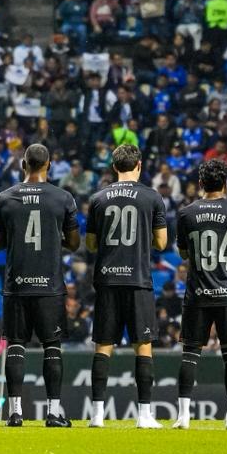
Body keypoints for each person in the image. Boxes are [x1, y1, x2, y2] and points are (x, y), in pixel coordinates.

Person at [0, 144, 81, 427]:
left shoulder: (5, 198)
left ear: (23, 165)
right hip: (49, 285)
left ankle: (15, 412)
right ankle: (54, 412)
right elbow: (75, 243)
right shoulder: (63, 197)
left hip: (17, 284)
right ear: (49, 165)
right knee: (51, 347)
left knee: (16, 345)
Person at [84, 145, 169, 429]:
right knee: (143, 347)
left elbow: (92, 244)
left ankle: (96, 415)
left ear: (113, 167)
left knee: (102, 346)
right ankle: (144, 415)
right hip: (138, 280)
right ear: (139, 166)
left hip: (107, 279)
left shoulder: (98, 199)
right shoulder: (152, 197)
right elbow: (162, 243)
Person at [174, 159, 227, 430]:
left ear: (200, 183)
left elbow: (183, 252)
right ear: (225, 183)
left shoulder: (186, 213)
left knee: (190, 354)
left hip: (197, 293)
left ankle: (183, 416)